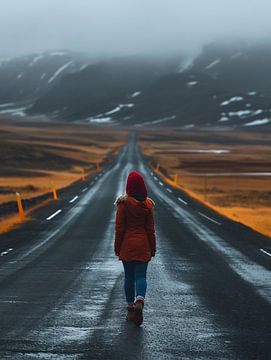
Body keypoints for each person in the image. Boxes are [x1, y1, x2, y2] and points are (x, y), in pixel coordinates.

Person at [114, 170, 156, 326]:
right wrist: (153, 248)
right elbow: (150, 230)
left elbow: (119, 228)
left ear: (129, 187)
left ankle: (130, 308)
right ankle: (140, 300)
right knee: (141, 276)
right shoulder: (148, 205)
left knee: (129, 277)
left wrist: (117, 247)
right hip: (143, 245)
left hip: (127, 246)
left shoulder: (123, 205)